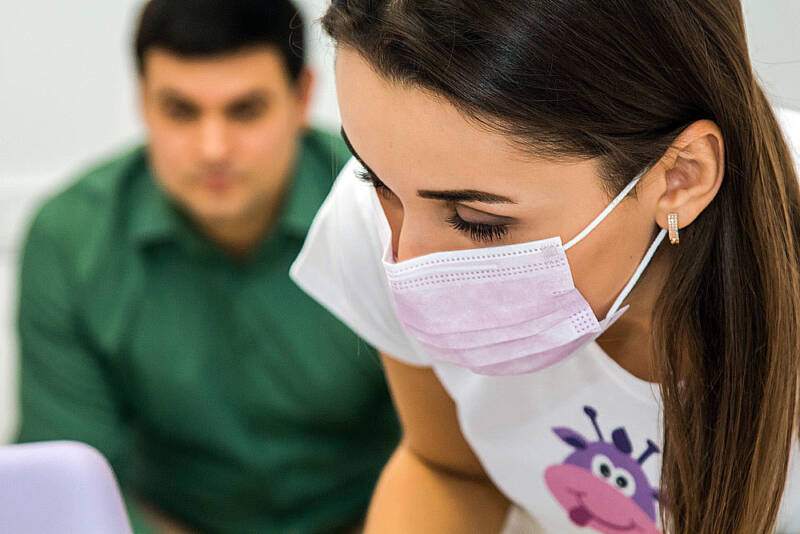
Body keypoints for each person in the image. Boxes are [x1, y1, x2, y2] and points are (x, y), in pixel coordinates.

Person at [289, 1, 800, 533]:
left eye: (479, 221)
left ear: (680, 178)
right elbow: (449, 468)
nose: (410, 264)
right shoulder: (384, 217)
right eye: (375, 180)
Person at [15, 1, 400, 533]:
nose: (213, 148)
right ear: (143, 103)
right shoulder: (69, 241)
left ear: (301, 97)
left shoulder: (388, 212)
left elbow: (450, 454)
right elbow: (66, 488)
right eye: (181, 111)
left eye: (245, 111)